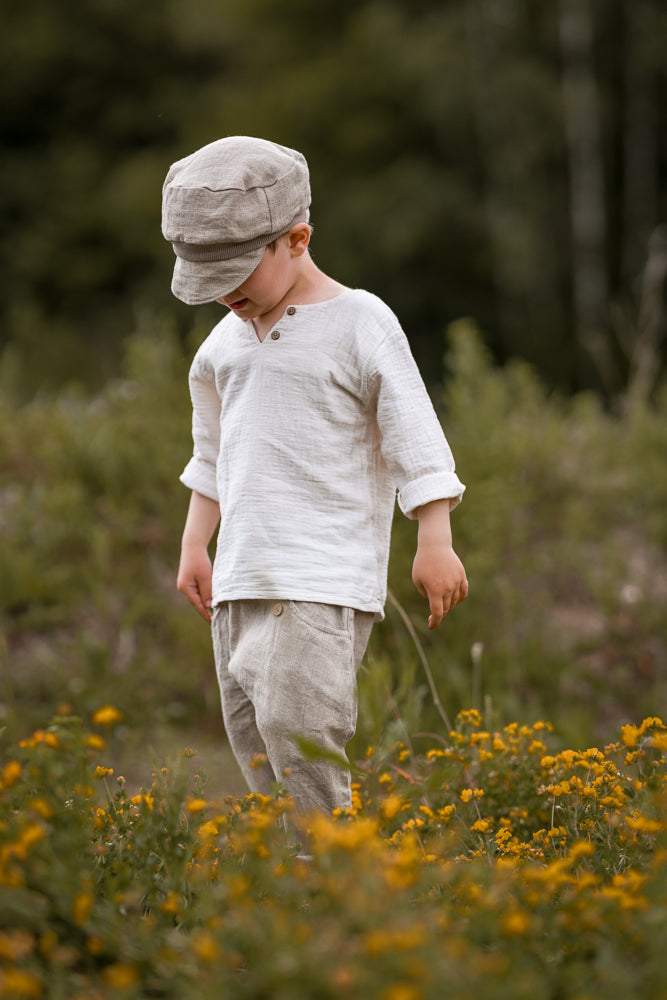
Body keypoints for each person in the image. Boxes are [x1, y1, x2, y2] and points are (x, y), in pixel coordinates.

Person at [162, 136, 468, 821]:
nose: (226, 297)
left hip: (319, 578)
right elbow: (211, 453)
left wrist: (434, 537)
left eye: (237, 275)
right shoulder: (222, 344)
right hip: (241, 576)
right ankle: (289, 895)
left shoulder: (360, 323)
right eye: (210, 286)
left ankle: (332, 876)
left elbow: (414, 434)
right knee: (254, 743)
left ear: (295, 239)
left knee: (302, 735)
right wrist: (194, 545)